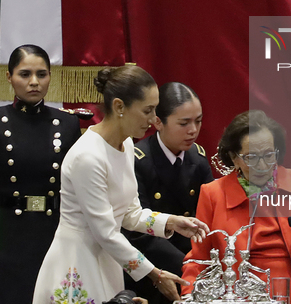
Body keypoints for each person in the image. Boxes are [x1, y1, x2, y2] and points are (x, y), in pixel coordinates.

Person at [32, 65, 209, 304]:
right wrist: (154, 274)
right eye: (147, 110)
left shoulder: (125, 145)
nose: (153, 118)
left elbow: (129, 213)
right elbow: (105, 232)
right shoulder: (88, 156)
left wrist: (170, 222)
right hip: (78, 265)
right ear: (119, 107)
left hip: (110, 261)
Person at [0, 44, 85, 304]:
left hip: (55, 235)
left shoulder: (68, 124)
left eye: (42, 74)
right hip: (5, 239)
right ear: (9, 77)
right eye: (25, 74)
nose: (34, 82)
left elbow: (78, 190)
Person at [181, 110, 291, 304]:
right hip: (238, 296)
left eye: (269, 155)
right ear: (234, 157)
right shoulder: (213, 194)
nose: (262, 166)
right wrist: (189, 296)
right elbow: (199, 258)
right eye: (252, 157)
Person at [124, 82, 213, 304]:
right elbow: (137, 231)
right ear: (157, 122)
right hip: (151, 270)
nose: (193, 130)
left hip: (192, 267)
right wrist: (185, 265)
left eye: (198, 121)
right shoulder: (138, 161)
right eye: (184, 123)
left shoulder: (198, 159)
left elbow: (209, 215)